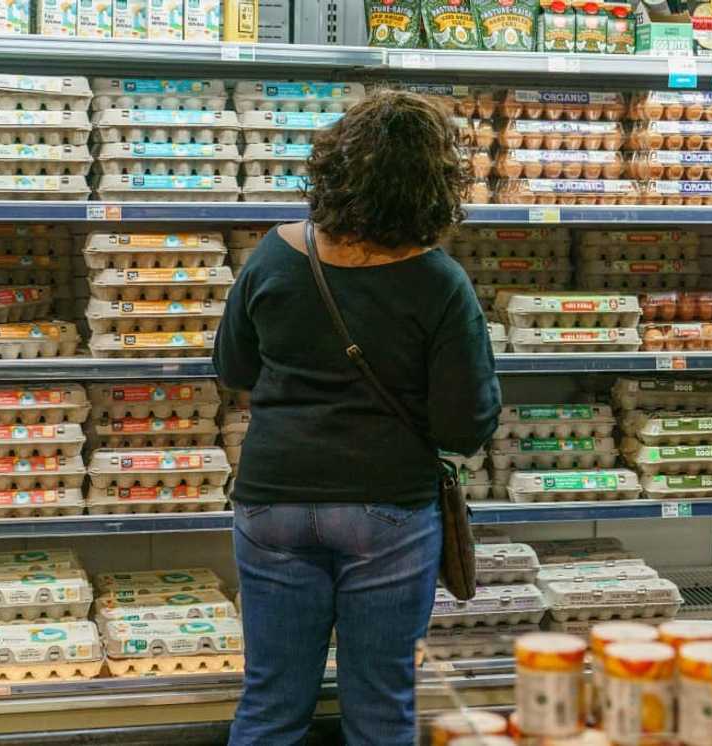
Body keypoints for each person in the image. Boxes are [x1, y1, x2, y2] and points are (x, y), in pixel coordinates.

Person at [214, 90, 502, 746]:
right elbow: (465, 425)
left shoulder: (274, 254)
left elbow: (233, 368)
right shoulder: (439, 282)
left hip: (273, 499)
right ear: (433, 183)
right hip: (388, 508)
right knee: (378, 708)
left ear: (332, 167)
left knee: (269, 702)